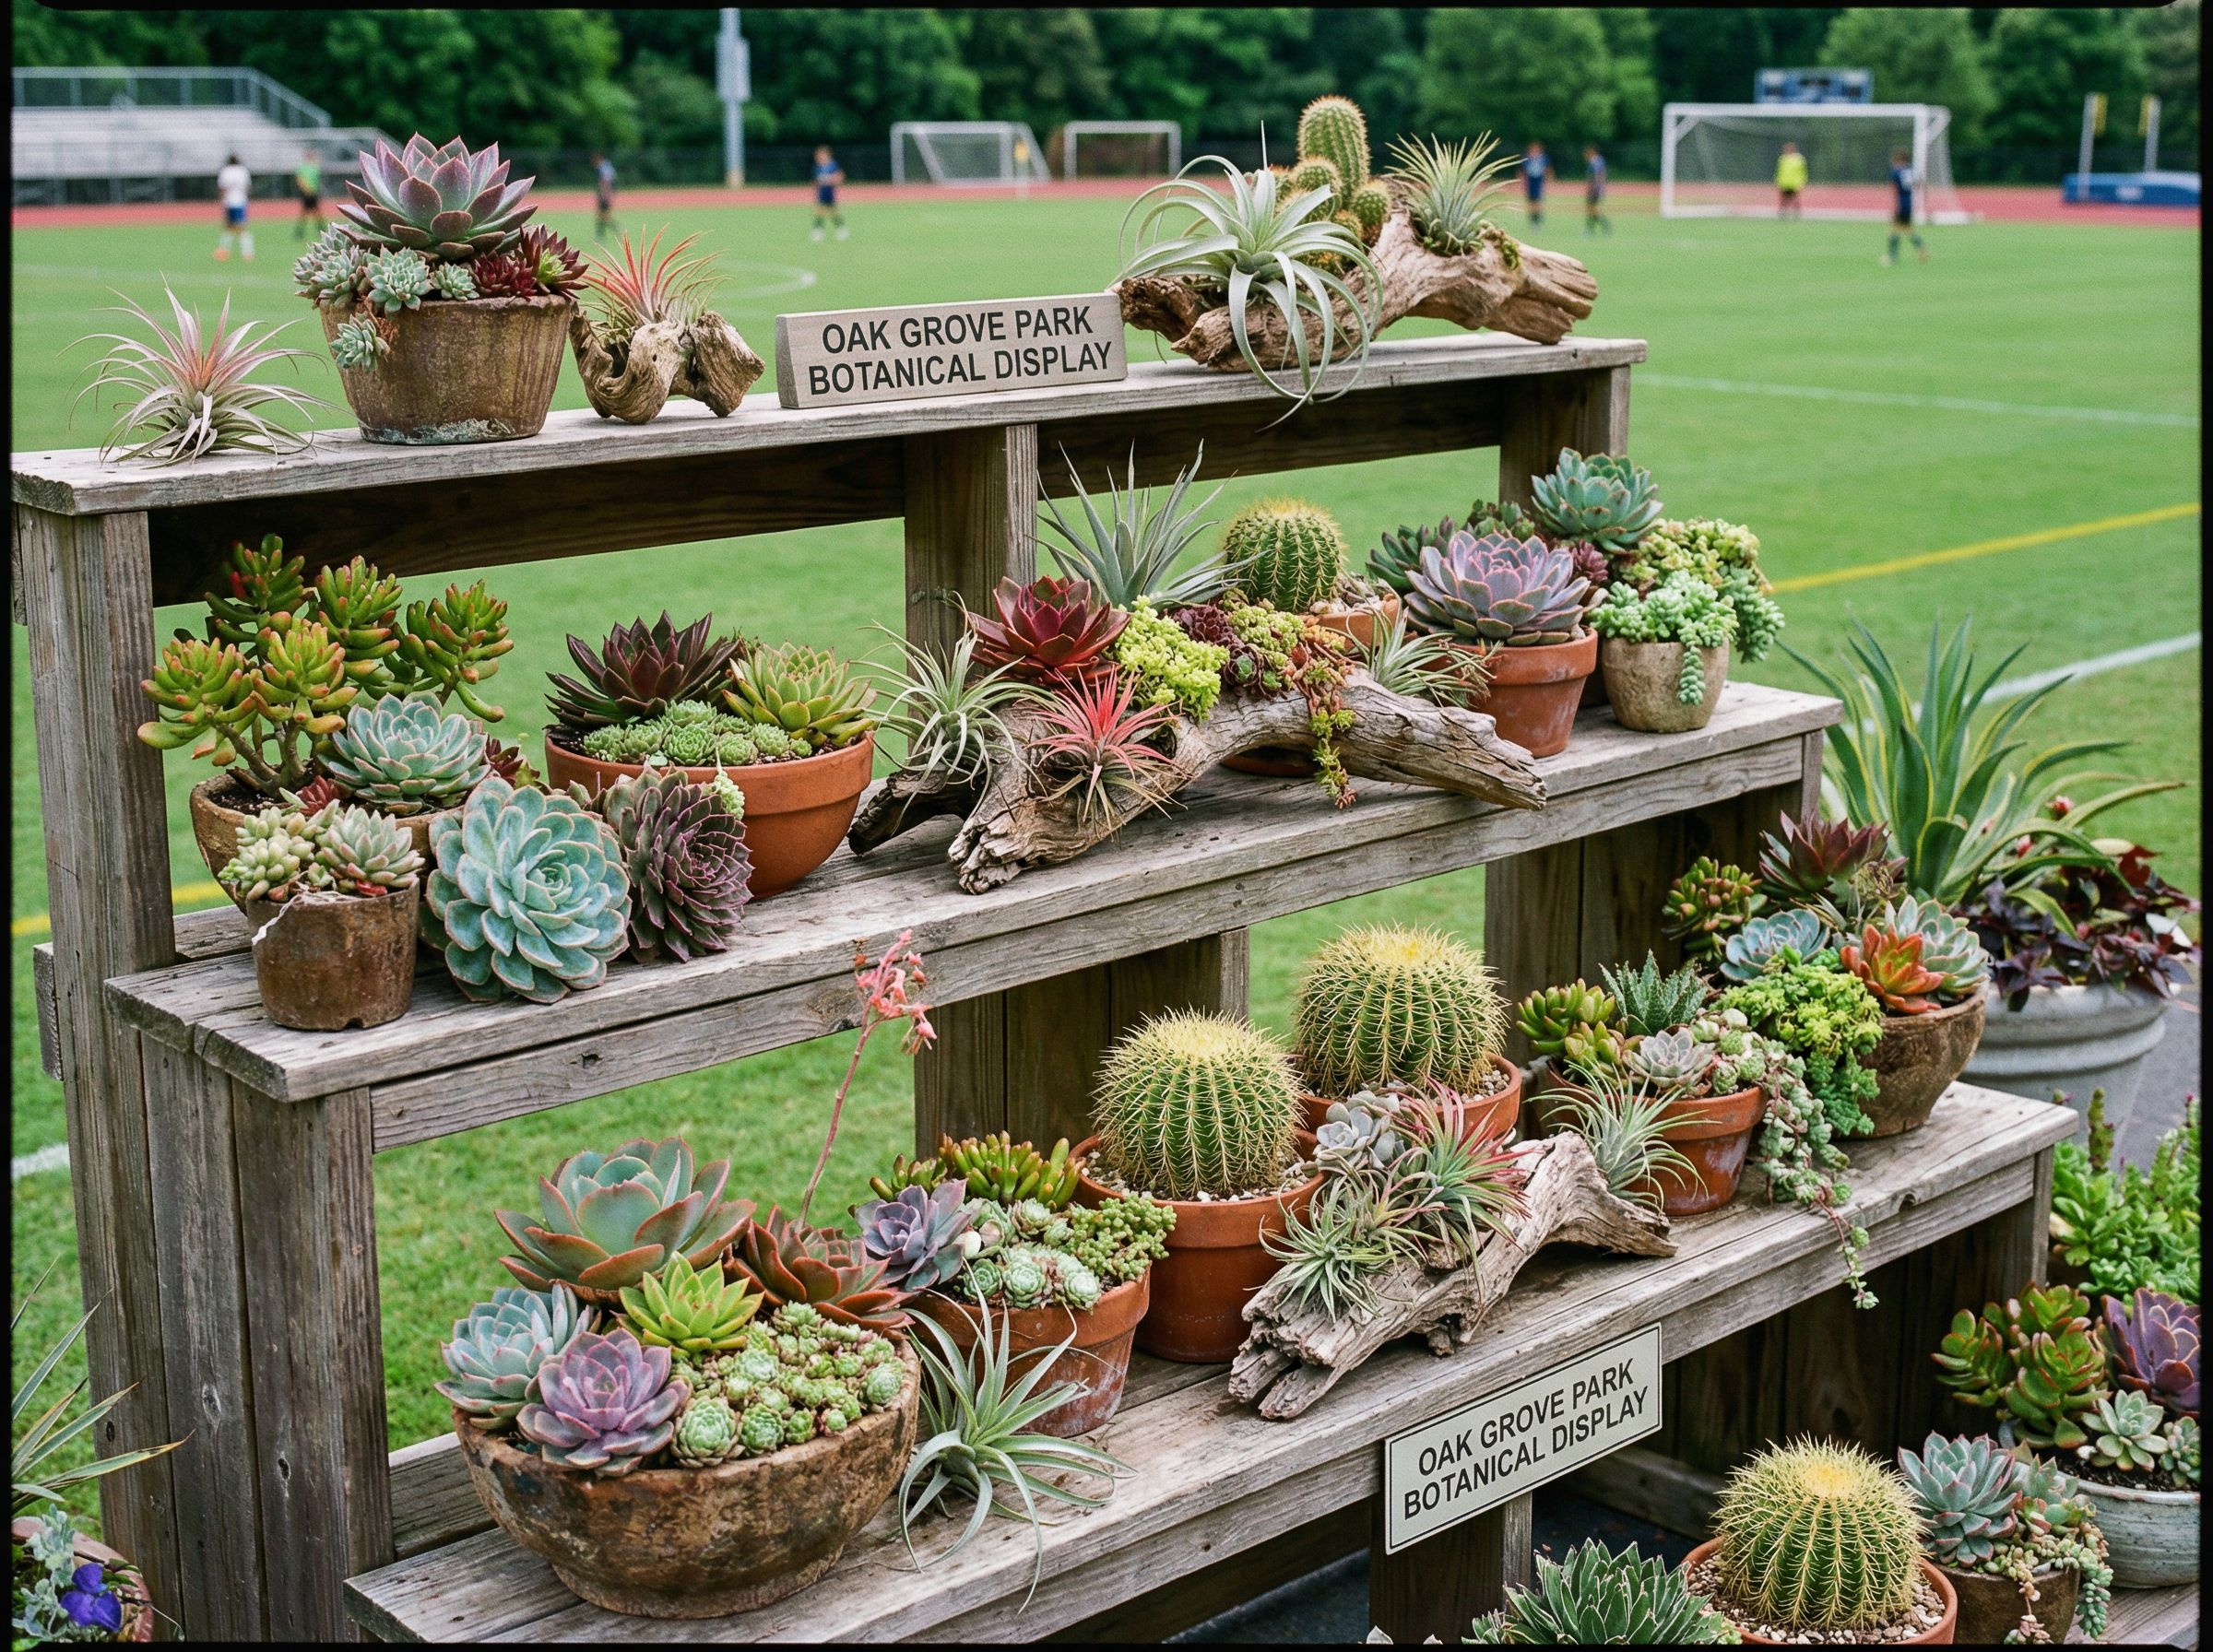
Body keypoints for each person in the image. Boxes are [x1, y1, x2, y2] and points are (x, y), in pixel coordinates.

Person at [1885, 148, 1929, 266]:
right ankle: (1922, 249)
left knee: (1894, 230)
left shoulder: (1897, 172)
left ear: (1899, 159)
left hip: (1901, 203)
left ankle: (1892, 257)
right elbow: (1920, 184)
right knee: (1907, 229)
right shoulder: (1912, 170)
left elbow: (1894, 188)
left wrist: (1894, 205)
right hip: (1910, 203)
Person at [214, 152, 254, 262]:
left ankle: (229, 251)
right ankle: (246, 252)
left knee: (230, 227)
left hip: (229, 202)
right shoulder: (243, 171)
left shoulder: (225, 171)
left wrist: (222, 200)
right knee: (239, 227)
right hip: (241, 201)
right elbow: (248, 187)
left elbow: (222, 188)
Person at [811, 146, 847, 242]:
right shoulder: (818, 167)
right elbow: (815, 181)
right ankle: (818, 232)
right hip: (821, 193)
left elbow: (840, 177)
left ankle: (841, 230)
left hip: (830, 192)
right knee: (819, 213)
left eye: (822, 155)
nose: (820, 157)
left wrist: (830, 180)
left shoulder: (833, 165)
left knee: (833, 213)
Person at [293, 148, 325, 240]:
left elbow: (316, 181)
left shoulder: (315, 168)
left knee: (315, 213)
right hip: (306, 194)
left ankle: (320, 230)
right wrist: (306, 189)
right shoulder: (302, 168)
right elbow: (300, 179)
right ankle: (300, 232)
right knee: (306, 213)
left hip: (314, 193)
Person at [1582, 143, 1611, 236]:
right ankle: (1596, 228)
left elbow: (1598, 175)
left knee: (1592, 209)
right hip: (1596, 188)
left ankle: (1594, 228)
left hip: (1595, 189)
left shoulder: (1596, 161)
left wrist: (1594, 188)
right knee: (1591, 209)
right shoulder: (1597, 161)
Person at [1521, 140, 1549, 230]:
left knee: (1538, 202)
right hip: (1530, 181)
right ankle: (1532, 221)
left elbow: (1547, 169)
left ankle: (1537, 220)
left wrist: (1547, 180)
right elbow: (1523, 170)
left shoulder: (1543, 158)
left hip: (1538, 181)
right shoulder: (1527, 158)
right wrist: (1523, 181)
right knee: (1531, 202)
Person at [1775, 141, 1806, 218]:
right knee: (1783, 200)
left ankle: (1797, 214)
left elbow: (1802, 172)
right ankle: (1783, 214)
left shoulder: (1799, 160)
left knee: (1795, 200)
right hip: (1784, 182)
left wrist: (1801, 182)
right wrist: (1778, 181)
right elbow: (1779, 171)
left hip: (1794, 183)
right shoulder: (1782, 159)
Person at [592, 152, 618, 241]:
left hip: (604, 194)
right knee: (602, 216)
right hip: (607, 193)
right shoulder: (608, 165)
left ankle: (616, 229)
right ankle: (601, 234)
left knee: (603, 216)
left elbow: (605, 181)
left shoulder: (602, 167)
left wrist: (605, 195)